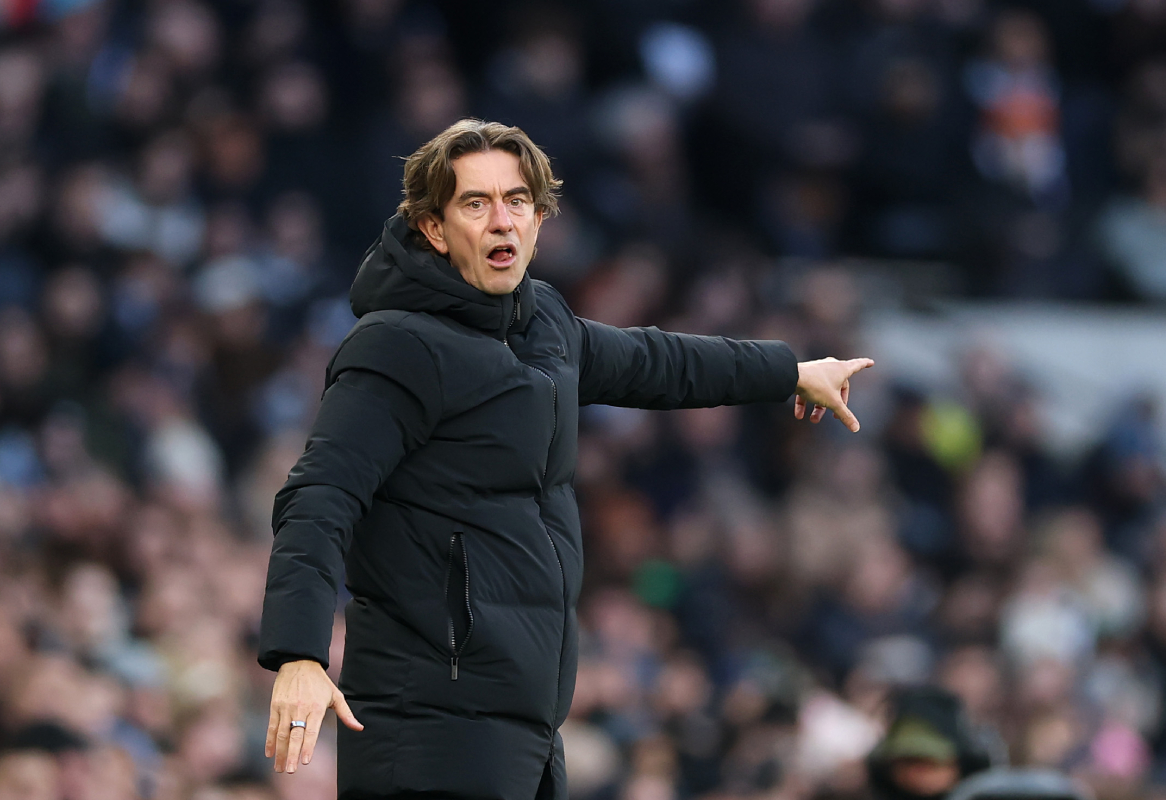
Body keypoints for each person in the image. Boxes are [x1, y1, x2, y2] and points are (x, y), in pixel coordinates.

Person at [256, 118, 874, 799]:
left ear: (539, 219)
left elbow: (656, 362)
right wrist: (300, 652)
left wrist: (789, 372)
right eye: (475, 203)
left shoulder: (542, 322)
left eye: (517, 201)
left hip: (526, 728)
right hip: (429, 724)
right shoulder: (397, 345)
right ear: (433, 228)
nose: (502, 220)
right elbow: (320, 496)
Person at [867, 686, 994, 800]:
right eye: (909, 761)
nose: (917, 773)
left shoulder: (982, 791)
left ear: (958, 764)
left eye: (932, 763)